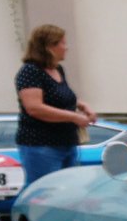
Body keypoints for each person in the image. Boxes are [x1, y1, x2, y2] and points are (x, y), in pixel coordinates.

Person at [14, 24, 96, 188]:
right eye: (62, 43)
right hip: (41, 145)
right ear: (49, 46)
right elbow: (34, 108)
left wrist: (82, 105)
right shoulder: (30, 71)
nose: (66, 47)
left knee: (65, 191)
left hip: (66, 142)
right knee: (43, 190)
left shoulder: (58, 69)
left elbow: (59, 96)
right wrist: (73, 116)